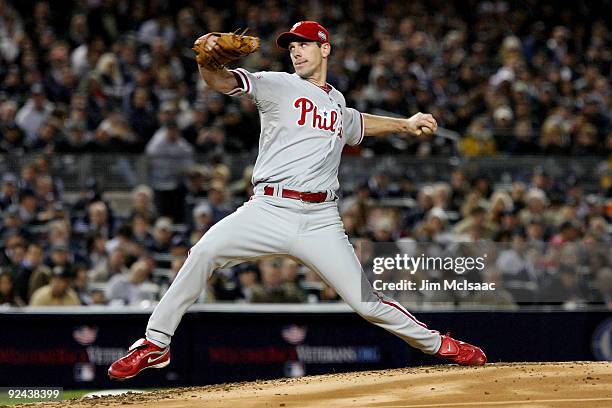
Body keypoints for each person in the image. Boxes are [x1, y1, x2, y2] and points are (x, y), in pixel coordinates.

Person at [109, 21, 486, 380]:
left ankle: (441, 345)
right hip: (268, 209)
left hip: (321, 218)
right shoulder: (277, 85)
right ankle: (156, 342)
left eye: (303, 44)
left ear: (325, 48)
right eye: (291, 46)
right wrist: (209, 62)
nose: (296, 52)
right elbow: (223, 81)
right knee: (203, 253)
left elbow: (357, 122)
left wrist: (404, 123)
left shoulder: (336, 102)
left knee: (366, 303)